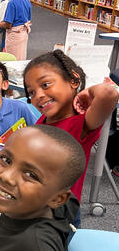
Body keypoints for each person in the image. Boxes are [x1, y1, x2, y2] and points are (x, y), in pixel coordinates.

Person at [22, 50, 118, 226]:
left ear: (73, 80)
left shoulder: (81, 123)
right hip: (35, 205)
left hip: (60, 215)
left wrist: (87, 92)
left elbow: (109, 94)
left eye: (45, 85)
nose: (39, 96)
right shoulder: (45, 118)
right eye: (32, 92)